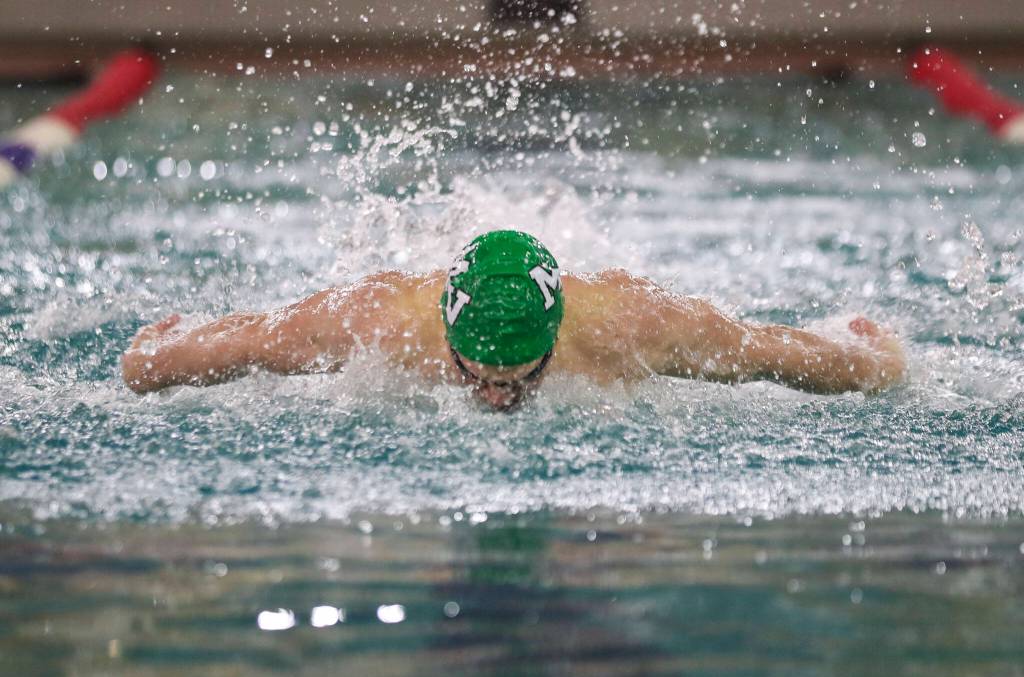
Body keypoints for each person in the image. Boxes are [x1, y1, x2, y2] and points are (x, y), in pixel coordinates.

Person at [122, 230, 906, 410]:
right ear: (447, 336)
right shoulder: (375, 322)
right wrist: (154, 356)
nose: (495, 399)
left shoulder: (634, 323)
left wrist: (873, 362)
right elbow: (240, 343)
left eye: (518, 377)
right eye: (476, 375)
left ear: (555, 340)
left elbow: (767, 352)